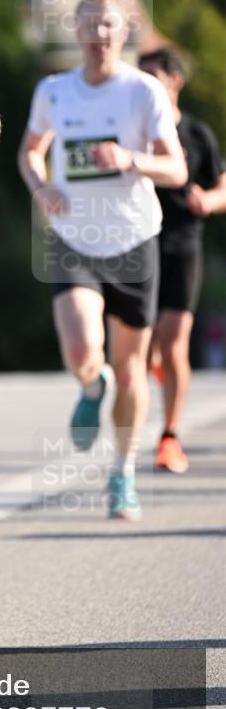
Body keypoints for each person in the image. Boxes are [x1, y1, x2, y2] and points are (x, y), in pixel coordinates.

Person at [18, 0, 187, 521]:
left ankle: (124, 472)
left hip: (134, 241)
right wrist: (41, 188)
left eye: (109, 25)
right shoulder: (53, 90)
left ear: (125, 30)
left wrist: (132, 159)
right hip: (74, 238)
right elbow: (29, 151)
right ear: (76, 30)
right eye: (90, 25)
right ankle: (93, 384)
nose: (99, 35)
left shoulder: (145, 92)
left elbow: (177, 170)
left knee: (133, 364)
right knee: (79, 349)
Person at [138, 47, 226, 473]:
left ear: (176, 81)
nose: (146, 83)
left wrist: (208, 200)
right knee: (145, 351)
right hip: (137, 243)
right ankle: (157, 386)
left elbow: (223, 185)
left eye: (154, 75)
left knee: (173, 346)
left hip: (182, 244)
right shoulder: (132, 131)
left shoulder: (195, 132)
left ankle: (169, 438)